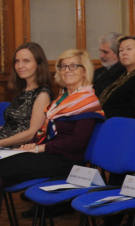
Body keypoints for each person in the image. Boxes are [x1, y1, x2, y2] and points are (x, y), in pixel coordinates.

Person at [0, 49, 102, 187]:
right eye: (63, 66)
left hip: (66, 161)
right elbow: (45, 129)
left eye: (73, 66)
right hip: (49, 153)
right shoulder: (62, 99)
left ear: (85, 71)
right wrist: (33, 144)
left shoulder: (88, 102)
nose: (67, 70)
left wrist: (40, 148)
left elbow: (77, 142)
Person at [0, 43, 52, 149]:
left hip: (17, 149)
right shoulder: (22, 91)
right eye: (17, 61)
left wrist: (1, 143)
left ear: (39, 64)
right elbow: (11, 126)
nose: (20, 66)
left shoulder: (42, 94)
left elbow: (32, 133)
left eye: (26, 61)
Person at [97, 35, 135, 124]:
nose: (124, 53)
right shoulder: (122, 76)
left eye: (129, 49)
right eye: (121, 50)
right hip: (107, 122)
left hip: (123, 126)